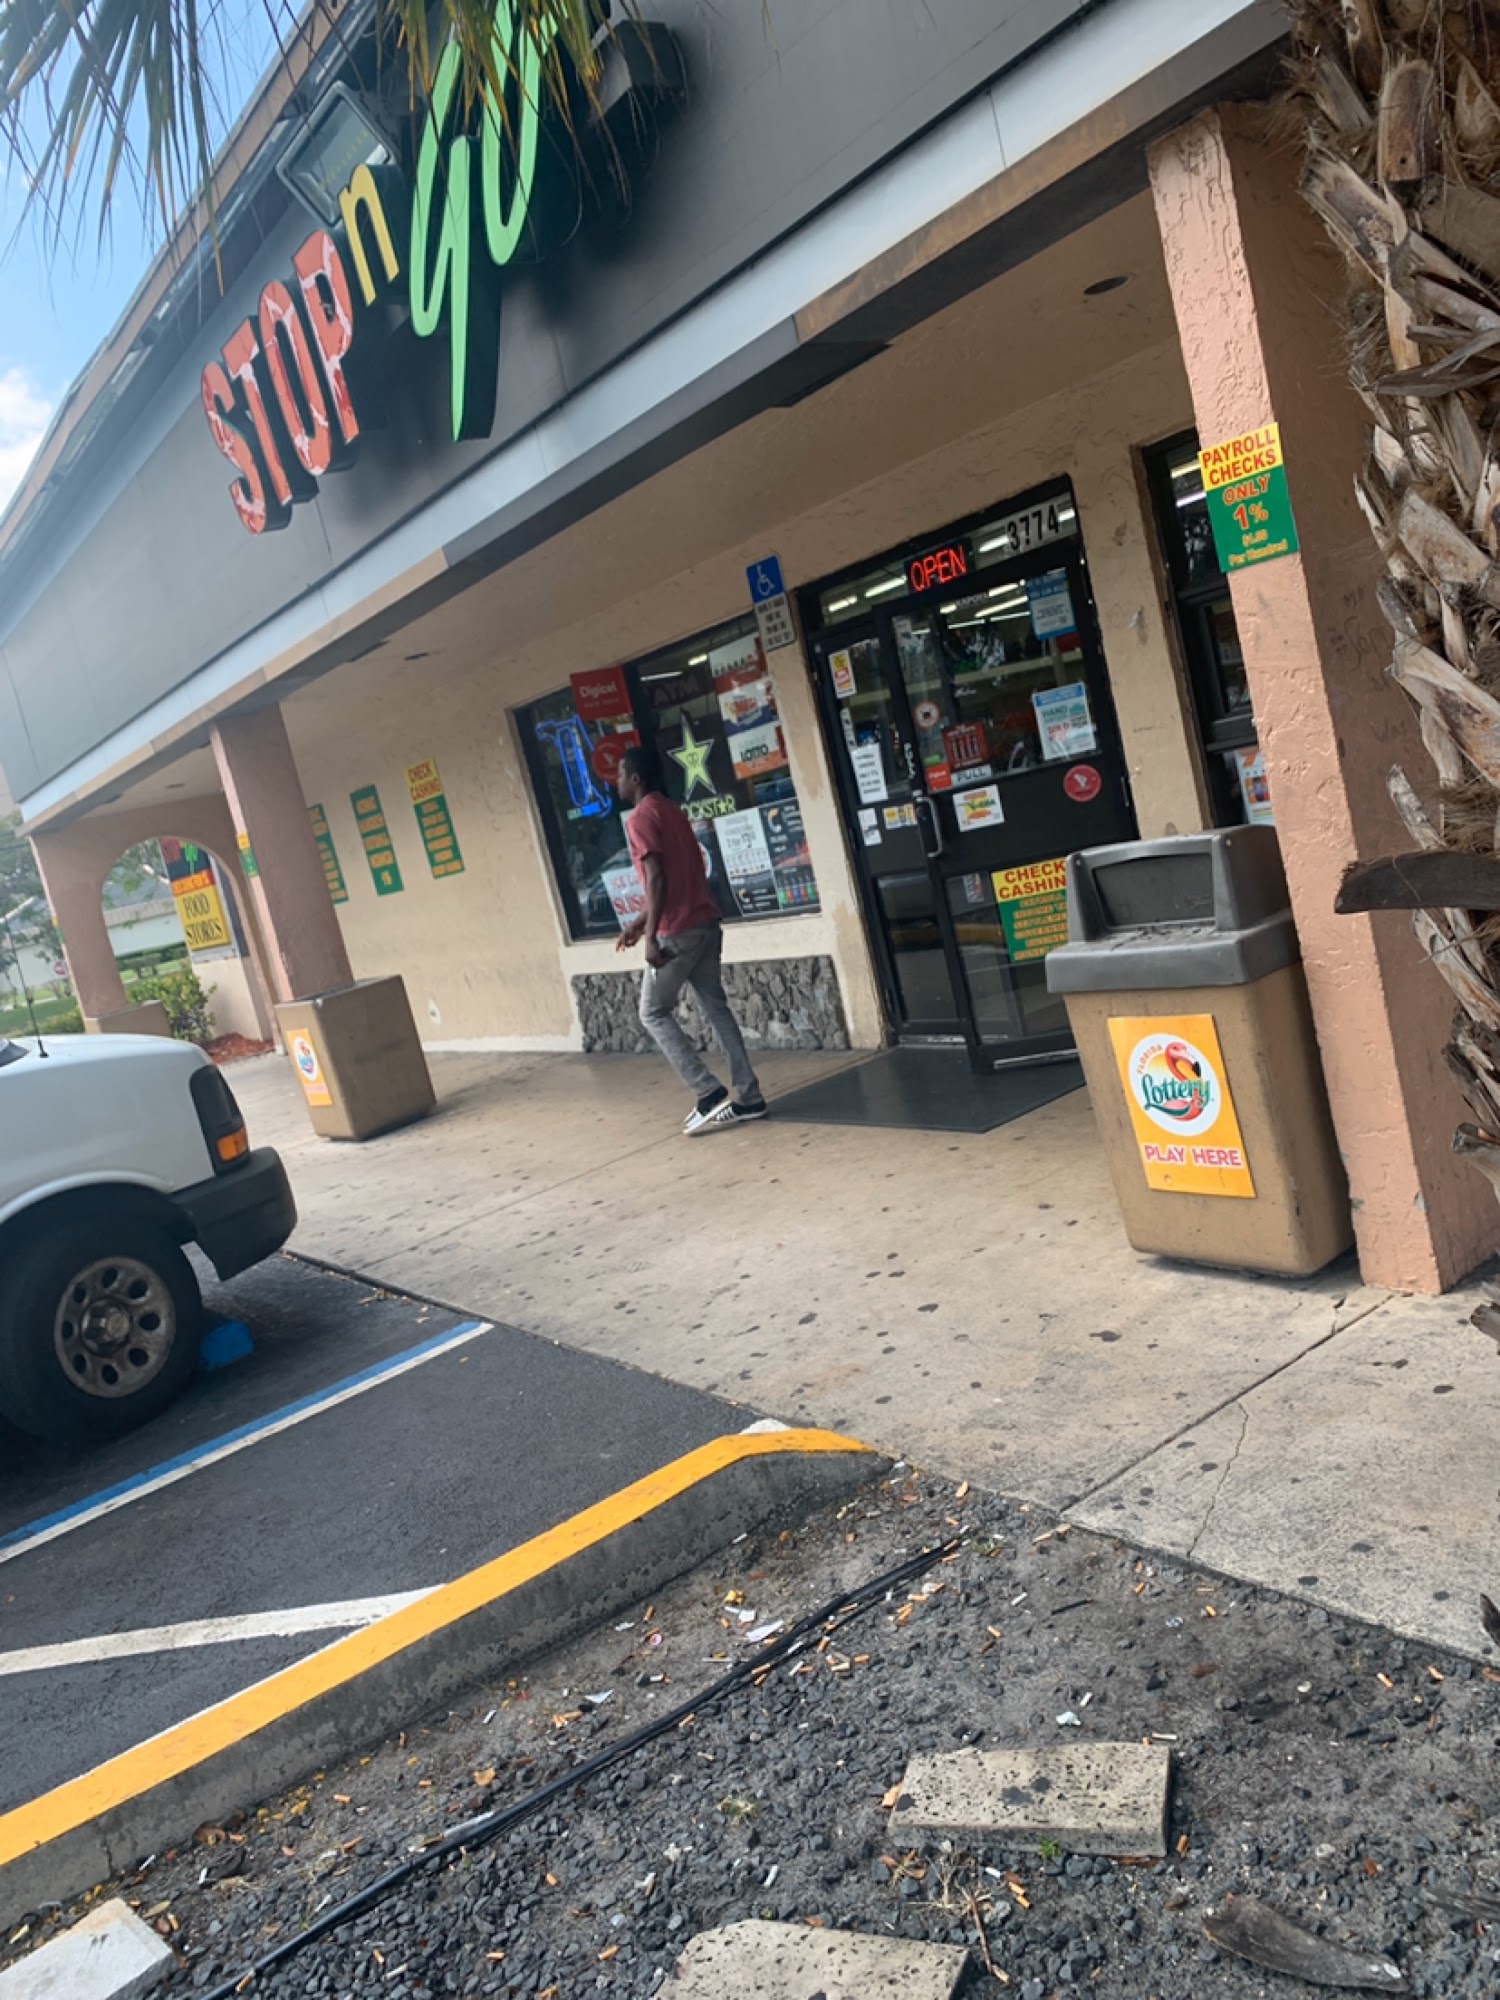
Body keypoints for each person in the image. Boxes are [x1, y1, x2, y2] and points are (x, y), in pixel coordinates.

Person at [614, 745, 767, 1134]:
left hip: (677, 933)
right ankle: (749, 1096)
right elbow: (674, 878)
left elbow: (658, 878)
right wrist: (639, 924)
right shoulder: (672, 811)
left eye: (620, 775)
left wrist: (651, 936)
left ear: (635, 779)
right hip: (705, 922)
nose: (616, 782)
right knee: (716, 1008)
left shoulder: (641, 818)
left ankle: (707, 1091)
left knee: (652, 1012)